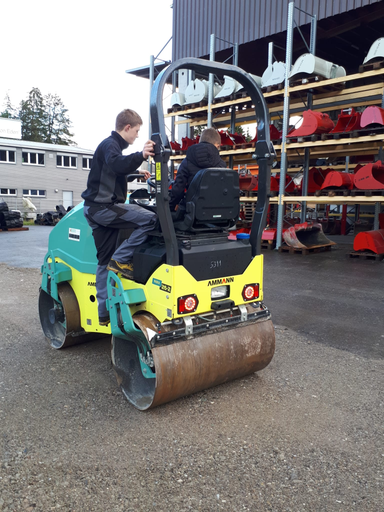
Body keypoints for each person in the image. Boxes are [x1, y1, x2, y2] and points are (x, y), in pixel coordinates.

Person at [82, 109, 156, 326]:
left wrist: (135, 173)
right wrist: (141, 156)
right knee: (150, 219)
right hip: (103, 208)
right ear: (127, 128)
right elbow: (116, 164)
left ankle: (103, 313)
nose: (137, 136)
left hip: (94, 210)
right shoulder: (110, 145)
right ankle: (121, 259)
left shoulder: (111, 147)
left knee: (104, 262)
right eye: (136, 131)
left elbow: (114, 171)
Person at [169, 127, 226, 212]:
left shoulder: (187, 161)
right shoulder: (222, 165)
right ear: (217, 146)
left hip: (192, 213)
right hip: (217, 213)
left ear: (200, 142)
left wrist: (171, 206)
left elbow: (178, 189)